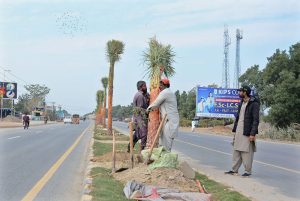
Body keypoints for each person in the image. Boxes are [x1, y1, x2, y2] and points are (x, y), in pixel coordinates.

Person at [225, 85, 260, 177]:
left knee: (246, 151)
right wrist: (235, 130)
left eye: (240, 91)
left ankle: (247, 171)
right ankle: (234, 170)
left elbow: (256, 120)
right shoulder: (241, 102)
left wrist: (252, 133)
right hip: (239, 130)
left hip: (247, 131)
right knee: (236, 150)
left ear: (245, 92)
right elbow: (238, 118)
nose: (239, 93)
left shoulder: (254, 103)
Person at [147, 78, 179, 151]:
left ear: (164, 85)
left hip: (169, 120)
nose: (159, 87)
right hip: (169, 119)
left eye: (160, 85)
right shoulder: (169, 92)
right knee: (163, 140)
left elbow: (156, 103)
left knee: (167, 141)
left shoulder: (165, 93)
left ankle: (166, 157)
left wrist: (147, 110)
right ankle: (163, 156)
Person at [127, 81, 149, 152]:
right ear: (141, 87)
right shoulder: (140, 96)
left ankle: (129, 147)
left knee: (138, 133)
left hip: (138, 118)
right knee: (144, 134)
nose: (146, 87)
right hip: (140, 118)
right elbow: (139, 109)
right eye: (145, 86)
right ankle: (142, 150)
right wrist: (147, 111)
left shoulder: (141, 95)